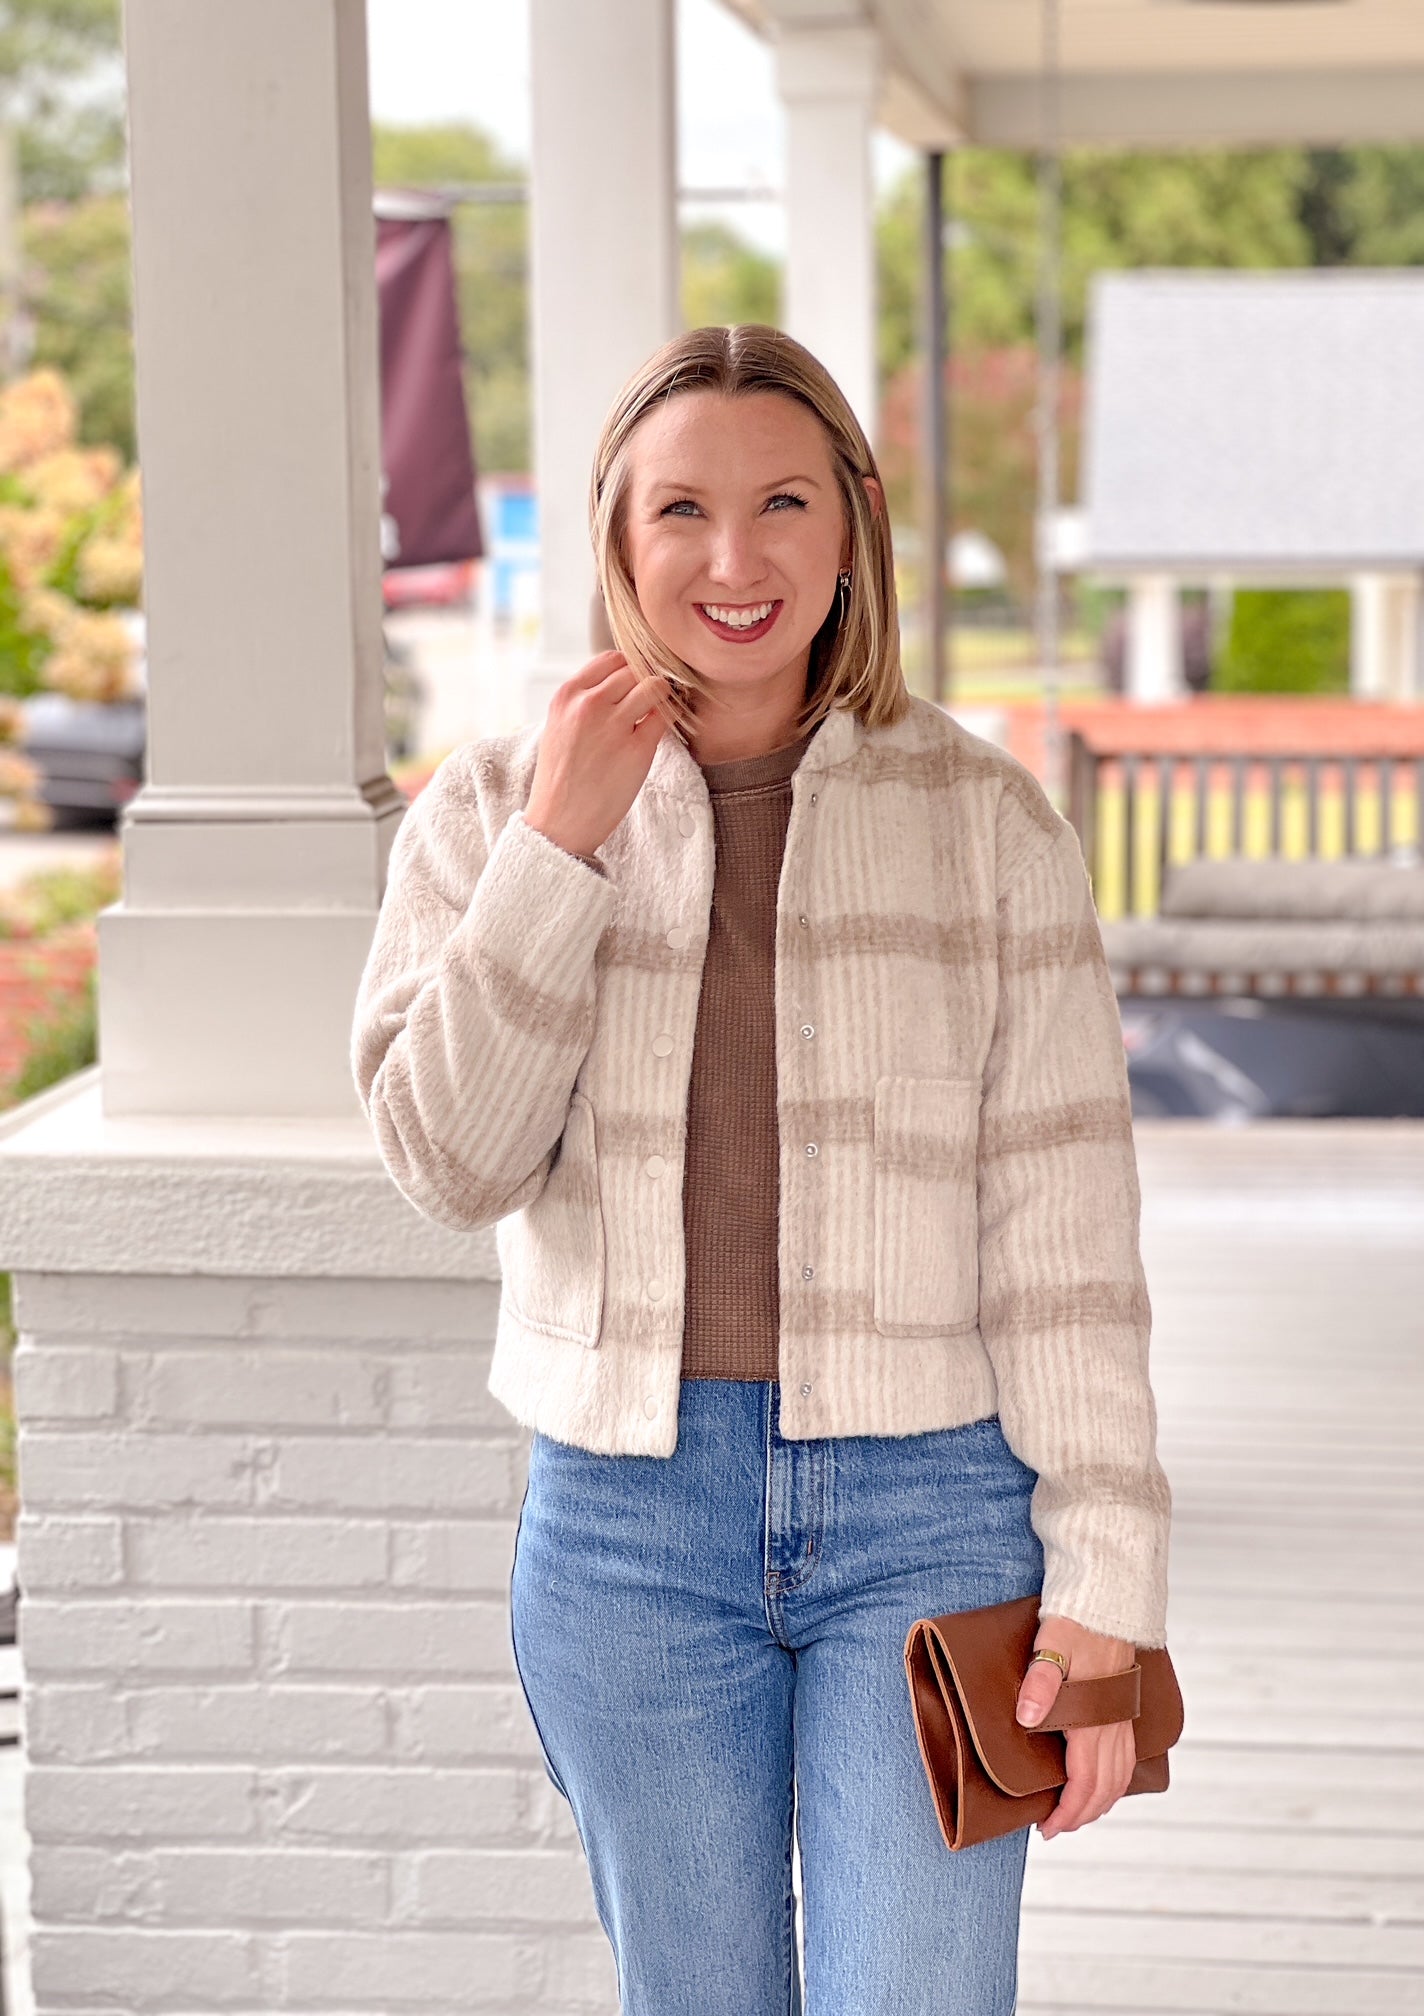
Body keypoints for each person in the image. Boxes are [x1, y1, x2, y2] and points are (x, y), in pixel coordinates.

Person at [350, 324, 1172, 2015]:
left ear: (855, 519)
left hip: (930, 1516)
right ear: (615, 534)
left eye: (785, 501)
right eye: (682, 513)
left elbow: (1066, 1240)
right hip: (629, 1531)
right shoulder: (492, 808)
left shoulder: (986, 822)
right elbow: (448, 1160)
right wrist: (554, 852)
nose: (736, 562)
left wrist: (1110, 1591)